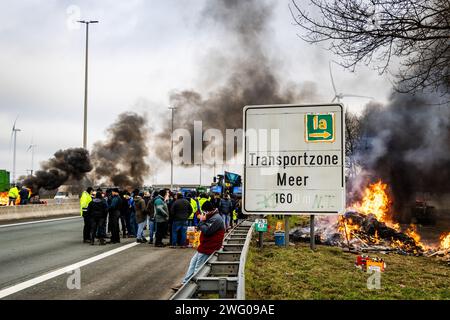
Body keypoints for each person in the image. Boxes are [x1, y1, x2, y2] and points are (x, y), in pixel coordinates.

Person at [172, 201, 225, 291]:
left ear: (209, 211)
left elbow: (207, 231)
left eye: (205, 212)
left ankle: (194, 288)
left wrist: (201, 221)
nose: (204, 214)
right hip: (204, 246)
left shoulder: (216, 219)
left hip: (209, 246)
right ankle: (185, 283)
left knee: (198, 267)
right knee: (193, 263)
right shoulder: (212, 216)